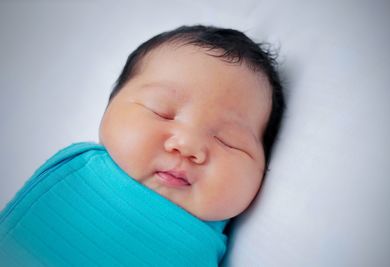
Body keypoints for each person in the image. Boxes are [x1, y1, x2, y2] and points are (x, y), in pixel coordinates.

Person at [0, 25, 285, 266]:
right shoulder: (80, 172)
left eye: (228, 141)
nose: (187, 146)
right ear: (109, 108)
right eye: (162, 112)